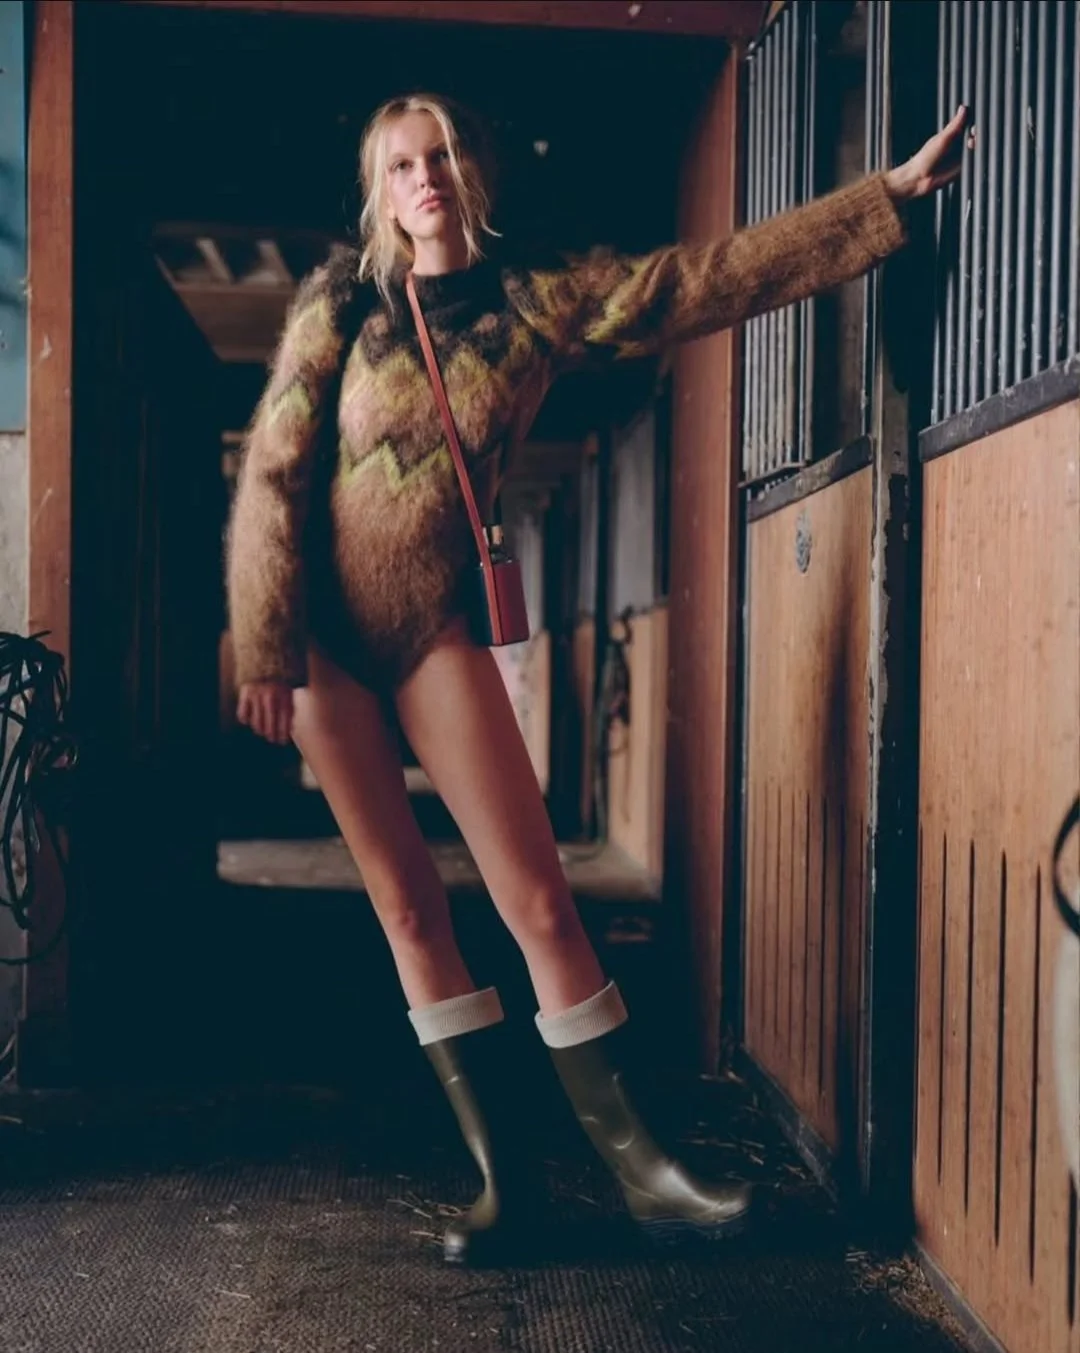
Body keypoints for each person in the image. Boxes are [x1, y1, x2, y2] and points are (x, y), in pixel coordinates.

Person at [227, 92, 971, 1264]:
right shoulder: (342, 303)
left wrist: (878, 203)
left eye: (439, 157)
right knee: (410, 907)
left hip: (430, 628)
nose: (422, 180)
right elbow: (273, 466)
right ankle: (501, 1183)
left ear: (470, 169)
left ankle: (648, 1173)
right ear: (379, 194)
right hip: (319, 643)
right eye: (399, 167)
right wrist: (263, 642)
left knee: (536, 902)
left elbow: (706, 280)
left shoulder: (538, 302)